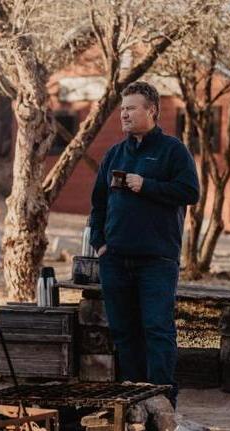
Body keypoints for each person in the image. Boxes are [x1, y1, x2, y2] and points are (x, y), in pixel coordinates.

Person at [89, 81, 200, 408]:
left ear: (151, 111)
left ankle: (163, 402)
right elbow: (97, 204)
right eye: (122, 109)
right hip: (115, 260)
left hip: (156, 260)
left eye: (131, 108)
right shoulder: (114, 154)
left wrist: (145, 185)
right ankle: (132, 402)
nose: (124, 114)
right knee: (124, 334)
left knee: (157, 330)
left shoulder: (172, 151)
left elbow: (189, 192)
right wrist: (100, 243)